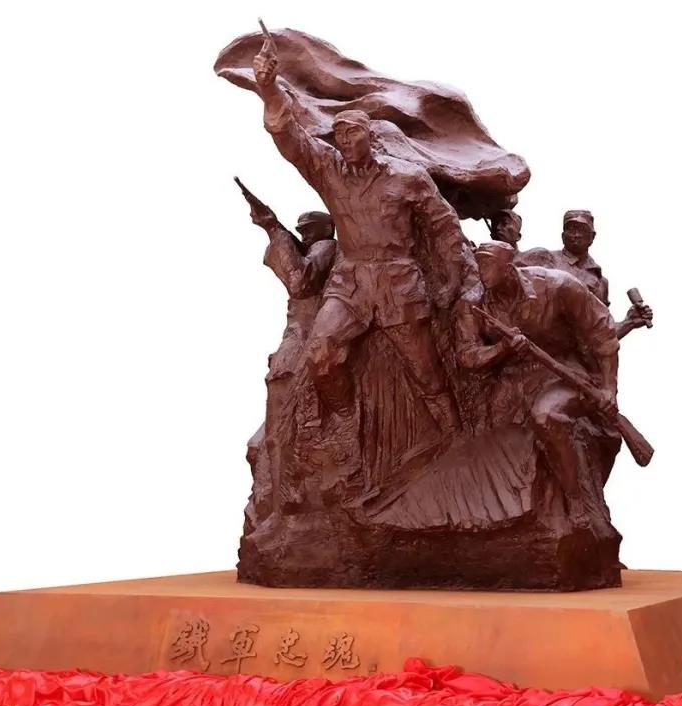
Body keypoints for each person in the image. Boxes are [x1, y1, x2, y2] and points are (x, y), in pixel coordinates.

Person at [251, 32, 471, 432]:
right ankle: (346, 426)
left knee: (426, 373)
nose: (345, 141)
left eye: (352, 133)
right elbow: (291, 139)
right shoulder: (328, 170)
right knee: (320, 354)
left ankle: (457, 435)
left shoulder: (408, 178)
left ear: (371, 135)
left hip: (398, 281)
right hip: (350, 282)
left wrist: (452, 278)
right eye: (339, 136)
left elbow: (444, 225)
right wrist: (268, 89)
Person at [455, 241, 620, 510]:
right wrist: (502, 348)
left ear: (508, 266)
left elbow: (602, 335)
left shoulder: (558, 286)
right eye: (479, 263)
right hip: (510, 380)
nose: (482, 272)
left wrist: (608, 389)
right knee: (481, 438)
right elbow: (467, 356)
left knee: (546, 416)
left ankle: (575, 502)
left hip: (563, 373)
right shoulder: (472, 303)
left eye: (488, 264)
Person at [517, 210, 653, 339]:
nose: (576, 235)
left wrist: (629, 322)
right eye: (571, 230)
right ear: (563, 236)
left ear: (592, 237)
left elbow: (599, 336)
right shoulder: (542, 258)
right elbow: (507, 269)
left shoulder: (601, 283)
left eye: (582, 230)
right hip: (532, 344)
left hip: (570, 354)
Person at [249, 206, 337, 382]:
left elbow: (300, 282)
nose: (304, 235)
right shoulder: (317, 248)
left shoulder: (326, 246)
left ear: (328, 229)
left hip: (310, 329)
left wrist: (274, 229)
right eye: (301, 231)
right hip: (305, 328)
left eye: (309, 229)